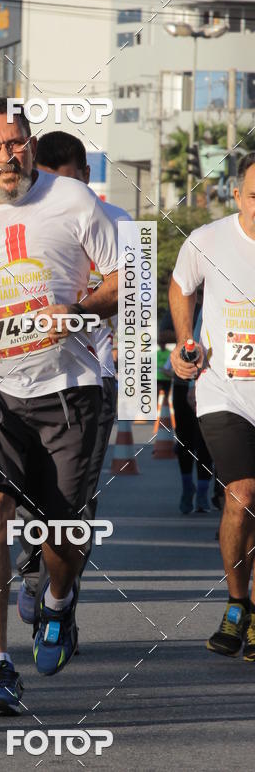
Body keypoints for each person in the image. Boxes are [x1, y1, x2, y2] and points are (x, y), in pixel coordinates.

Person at [0, 97, 119, 715]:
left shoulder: (72, 201)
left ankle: (59, 600)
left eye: (16, 143)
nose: (7, 156)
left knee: (63, 529)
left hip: (71, 383)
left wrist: (82, 309)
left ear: (30, 145)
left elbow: (125, 278)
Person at [14, 131, 130, 624]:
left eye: (70, 183)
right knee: (23, 488)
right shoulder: (19, 220)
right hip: (24, 379)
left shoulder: (118, 224)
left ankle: (62, 598)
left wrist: (131, 348)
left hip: (91, 376)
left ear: (86, 177)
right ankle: (32, 568)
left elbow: (137, 300)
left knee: (74, 498)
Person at [170, 152, 255, 660]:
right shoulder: (209, 239)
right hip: (224, 391)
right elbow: (181, 287)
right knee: (242, 494)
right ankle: (236, 603)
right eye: (253, 195)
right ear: (238, 194)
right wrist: (185, 342)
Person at [160, 298, 214, 514]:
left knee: (205, 441)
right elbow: (162, 335)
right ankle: (186, 488)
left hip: (210, 381)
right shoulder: (180, 307)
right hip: (183, 381)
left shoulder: (217, 302)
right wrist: (186, 335)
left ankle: (202, 492)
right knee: (184, 439)